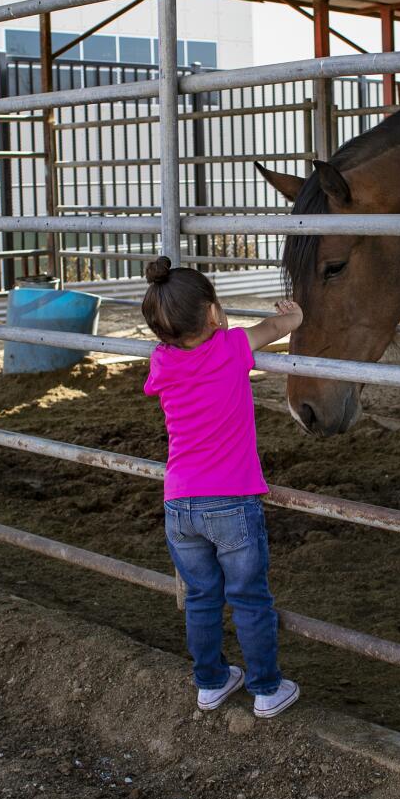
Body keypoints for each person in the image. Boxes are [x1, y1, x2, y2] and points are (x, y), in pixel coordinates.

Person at [141, 256, 303, 718]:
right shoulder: (231, 347)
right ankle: (267, 689)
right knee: (249, 596)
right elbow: (274, 327)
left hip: (179, 505)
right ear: (214, 313)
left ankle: (210, 682)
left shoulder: (162, 361)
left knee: (201, 596)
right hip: (231, 501)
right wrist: (293, 315)